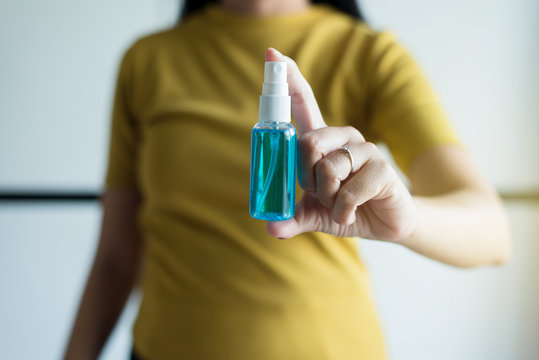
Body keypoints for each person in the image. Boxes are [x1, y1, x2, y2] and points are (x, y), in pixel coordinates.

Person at [63, 0, 511, 359]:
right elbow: (116, 257)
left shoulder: (369, 55)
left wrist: (406, 219)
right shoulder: (147, 61)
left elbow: (492, 232)